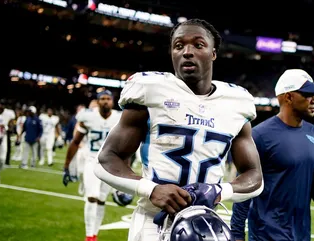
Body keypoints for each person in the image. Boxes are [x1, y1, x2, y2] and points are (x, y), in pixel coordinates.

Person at [93, 18, 264, 241]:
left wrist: (220, 191)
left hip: (208, 223)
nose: (187, 52)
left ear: (213, 53)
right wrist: (151, 189)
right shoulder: (151, 90)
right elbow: (106, 160)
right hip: (154, 222)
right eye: (179, 45)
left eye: (198, 45)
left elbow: (255, 176)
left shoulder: (236, 102)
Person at [231, 69, 314, 241]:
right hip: (267, 234)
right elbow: (244, 188)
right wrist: (236, 234)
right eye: (308, 94)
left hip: (301, 233)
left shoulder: (313, 133)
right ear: (288, 97)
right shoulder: (260, 136)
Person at [63, 90, 121, 241]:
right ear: (97, 101)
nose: (106, 101)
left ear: (112, 102)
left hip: (110, 163)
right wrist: (67, 164)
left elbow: (125, 147)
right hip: (92, 160)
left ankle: (94, 234)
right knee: (92, 196)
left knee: (102, 199)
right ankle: (89, 235)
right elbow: (75, 142)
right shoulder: (88, 116)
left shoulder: (119, 117)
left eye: (108, 99)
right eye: (102, 99)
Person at [0, 99, 16, 184]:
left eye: (2, 105)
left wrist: (6, 128)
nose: (0, 106)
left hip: (3, 138)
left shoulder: (9, 114)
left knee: (2, 159)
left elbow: (11, 125)